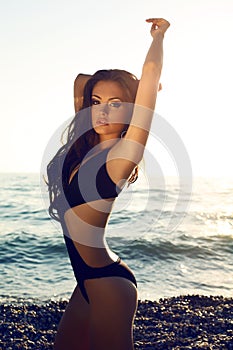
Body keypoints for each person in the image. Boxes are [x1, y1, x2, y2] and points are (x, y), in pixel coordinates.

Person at [46, 18, 170, 350]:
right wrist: (123, 86)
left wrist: (157, 41)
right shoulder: (85, 147)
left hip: (109, 286)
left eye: (115, 104)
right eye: (97, 101)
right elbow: (80, 82)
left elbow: (148, 83)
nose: (102, 111)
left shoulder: (121, 156)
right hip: (86, 282)